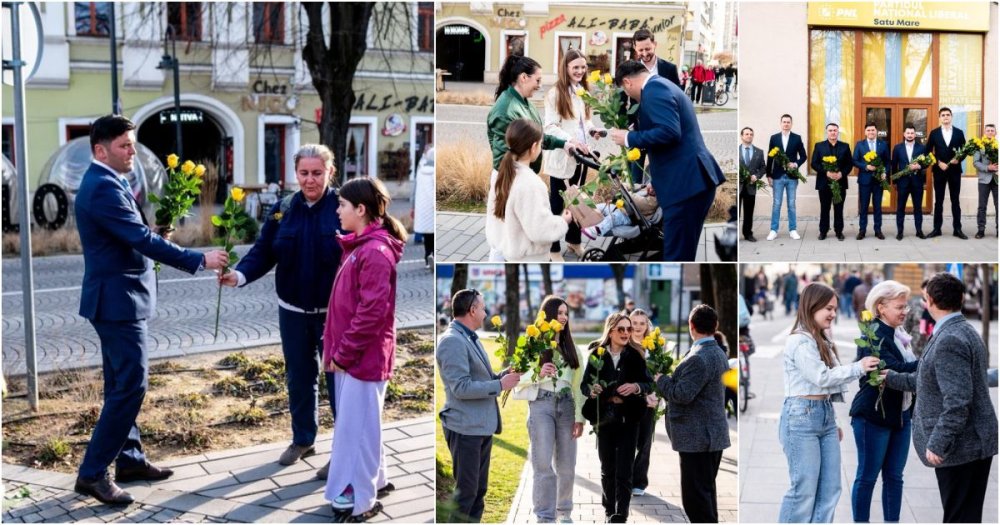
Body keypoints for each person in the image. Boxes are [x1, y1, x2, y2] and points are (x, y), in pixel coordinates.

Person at [73, 115, 229, 504]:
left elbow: (130, 235)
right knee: (131, 386)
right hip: (117, 302)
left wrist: (153, 234)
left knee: (120, 385)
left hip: (118, 299)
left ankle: (129, 460)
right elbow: (139, 239)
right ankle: (92, 474)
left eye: (132, 143)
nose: (132, 151)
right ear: (100, 150)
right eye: (124, 145)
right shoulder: (102, 186)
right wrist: (199, 259)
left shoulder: (108, 180)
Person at [219, 144, 342, 474]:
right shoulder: (283, 209)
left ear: (330, 172)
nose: (310, 180)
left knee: (339, 384)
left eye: (317, 173)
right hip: (292, 311)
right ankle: (303, 438)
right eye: (304, 173)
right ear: (295, 173)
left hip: (334, 316)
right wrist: (239, 275)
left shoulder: (344, 207)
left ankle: (343, 452)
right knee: (299, 378)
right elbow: (263, 251)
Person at [883, 272, 998, 523]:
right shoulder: (963, 330)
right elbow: (928, 380)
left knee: (958, 517)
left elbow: (957, 400)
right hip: (971, 443)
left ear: (931, 301)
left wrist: (938, 442)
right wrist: (890, 378)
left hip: (962, 446)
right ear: (960, 299)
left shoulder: (950, 339)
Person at [321, 177, 406, 520]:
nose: (337, 211)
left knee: (354, 430)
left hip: (361, 358)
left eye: (342, 205)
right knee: (364, 424)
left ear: (360, 209)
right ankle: (376, 480)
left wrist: (344, 353)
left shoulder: (373, 252)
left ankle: (358, 499)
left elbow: (371, 312)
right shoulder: (362, 246)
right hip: (357, 355)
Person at [778, 283, 880, 523]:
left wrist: (832, 420)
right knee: (803, 491)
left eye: (835, 308)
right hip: (801, 417)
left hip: (823, 415)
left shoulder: (820, 338)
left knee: (831, 489)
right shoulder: (800, 341)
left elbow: (824, 389)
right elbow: (821, 378)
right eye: (828, 308)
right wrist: (859, 367)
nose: (833, 313)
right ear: (811, 306)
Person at [609, 60, 724, 261]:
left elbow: (669, 132)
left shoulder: (654, 91)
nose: (628, 96)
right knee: (680, 252)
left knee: (676, 256)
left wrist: (629, 138)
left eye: (625, 91)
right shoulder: (663, 85)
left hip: (686, 187)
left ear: (627, 82)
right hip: (689, 182)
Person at [487, 55, 587, 256]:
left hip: (519, 175)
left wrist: (563, 144)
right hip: (511, 178)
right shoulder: (506, 110)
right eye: (538, 80)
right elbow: (503, 155)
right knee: (505, 240)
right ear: (524, 77)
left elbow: (537, 136)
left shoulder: (524, 103)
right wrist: (562, 221)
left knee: (508, 236)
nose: (540, 85)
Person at [437, 290, 522, 523]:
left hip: (480, 426)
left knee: (478, 491)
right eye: (483, 308)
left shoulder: (469, 337)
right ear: (472, 310)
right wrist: (500, 384)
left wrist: (504, 375)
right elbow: (461, 388)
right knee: (466, 494)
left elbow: (483, 378)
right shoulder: (452, 341)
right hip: (465, 428)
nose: (486, 313)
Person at [848, 281, 919, 523]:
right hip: (873, 415)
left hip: (901, 415)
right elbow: (893, 368)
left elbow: (901, 369)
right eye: (899, 307)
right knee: (867, 477)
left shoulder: (898, 334)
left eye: (905, 306)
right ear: (881, 307)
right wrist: (929, 362)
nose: (904, 311)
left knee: (894, 477)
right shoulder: (873, 335)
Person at [654, 305, 731, 523]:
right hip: (710, 437)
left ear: (691, 325)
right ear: (715, 326)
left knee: (695, 502)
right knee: (706, 497)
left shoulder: (699, 356)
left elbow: (681, 394)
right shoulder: (718, 351)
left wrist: (661, 379)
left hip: (698, 440)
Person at [512, 296, 586, 523]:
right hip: (541, 405)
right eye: (559, 313)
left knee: (567, 466)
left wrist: (580, 418)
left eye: (566, 313)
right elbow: (516, 378)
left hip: (567, 406)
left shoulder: (573, 349)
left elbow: (579, 387)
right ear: (548, 316)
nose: (563, 317)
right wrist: (538, 372)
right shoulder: (533, 344)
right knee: (542, 463)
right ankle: (545, 517)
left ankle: (564, 512)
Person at [581, 312, 653, 523]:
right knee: (607, 468)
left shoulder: (635, 354)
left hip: (629, 419)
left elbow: (648, 383)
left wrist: (636, 386)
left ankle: (621, 514)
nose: (626, 333)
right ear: (610, 331)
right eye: (621, 329)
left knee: (624, 469)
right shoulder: (597, 354)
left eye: (628, 329)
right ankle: (608, 510)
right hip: (604, 419)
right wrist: (591, 390)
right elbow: (584, 384)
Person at [486, 119, 573, 262]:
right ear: (534, 147)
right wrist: (563, 221)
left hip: (507, 252)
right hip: (529, 259)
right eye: (540, 144)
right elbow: (540, 231)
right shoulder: (531, 184)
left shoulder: (502, 174)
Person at [543, 49, 599, 261]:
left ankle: (574, 241)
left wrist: (592, 130)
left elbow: (585, 121)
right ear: (565, 68)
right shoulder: (555, 94)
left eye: (583, 67)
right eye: (575, 67)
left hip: (581, 157)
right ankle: (553, 248)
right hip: (562, 157)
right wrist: (571, 140)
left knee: (576, 201)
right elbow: (550, 126)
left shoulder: (583, 90)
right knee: (557, 206)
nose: (580, 71)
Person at [623, 28, 681, 185]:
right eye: (640, 50)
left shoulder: (669, 68)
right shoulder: (630, 69)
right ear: (635, 48)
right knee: (634, 176)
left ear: (655, 44)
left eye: (648, 49)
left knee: (661, 174)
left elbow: (678, 97)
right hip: (638, 130)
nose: (644, 53)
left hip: (661, 129)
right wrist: (627, 124)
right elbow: (622, 100)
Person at [628, 308, 658, 498]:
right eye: (634, 323)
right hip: (628, 402)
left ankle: (639, 482)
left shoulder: (653, 348)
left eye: (642, 323)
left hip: (649, 403)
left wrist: (656, 394)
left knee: (645, 442)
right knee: (626, 442)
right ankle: (624, 478)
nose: (638, 327)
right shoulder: (624, 345)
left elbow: (659, 375)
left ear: (647, 325)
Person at [926, 107, 968, 239]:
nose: (945, 117)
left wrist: (958, 159)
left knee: (955, 201)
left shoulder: (959, 133)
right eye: (943, 115)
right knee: (938, 201)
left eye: (948, 115)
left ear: (951, 117)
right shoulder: (934, 133)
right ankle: (936, 229)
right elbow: (927, 152)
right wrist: (938, 162)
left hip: (955, 171)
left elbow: (965, 151)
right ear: (939, 118)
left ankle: (957, 229)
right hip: (939, 171)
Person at [766, 114, 808, 241]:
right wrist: (769, 175)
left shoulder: (797, 138)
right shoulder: (774, 138)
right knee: (776, 204)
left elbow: (804, 156)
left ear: (791, 124)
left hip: (792, 176)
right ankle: (773, 230)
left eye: (788, 122)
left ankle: (793, 230)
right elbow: (770, 157)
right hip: (777, 176)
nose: (786, 124)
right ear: (780, 123)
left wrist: (795, 164)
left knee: (791, 204)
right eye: (784, 122)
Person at [810, 123, 852, 241]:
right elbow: (814, 163)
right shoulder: (819, 146)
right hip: (824, 183)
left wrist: (841, 174)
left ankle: (839, 231)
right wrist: (826, 172)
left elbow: (849, 164)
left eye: (835, 130)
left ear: (838, 132)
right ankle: (823, 231)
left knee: (839, 208)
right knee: (825, 208)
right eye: (830, 130)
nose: (833, 132)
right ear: (826, 132)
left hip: (840, 182)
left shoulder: (845, 146)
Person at [580, 183, 658, 241]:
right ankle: (584, 219)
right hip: (622, 209)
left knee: (613, 218)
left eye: (655, 191)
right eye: (652, 187)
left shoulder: (653, 202)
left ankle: (596, 231)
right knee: (599, 207)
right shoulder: (645, 188)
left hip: (630, 217)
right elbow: (633, 186)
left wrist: (626, 192)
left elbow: (636, 201)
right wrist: (625, 185)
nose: (651, 190)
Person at [852, 123, 890, 240]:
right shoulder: (860, 145)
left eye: (873, 130)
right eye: (868, 130)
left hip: (878, 181)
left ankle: (878, 230)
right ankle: (862, 230)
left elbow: (887, 162)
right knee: (863, 207)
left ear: (876, 131)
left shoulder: (883, 144)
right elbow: (854, 161)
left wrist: (885, 172)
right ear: (865, 132)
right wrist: (865, 166)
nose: (871, 132)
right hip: (865, 181)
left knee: (877, 206)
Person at [890, 124, 929, 240]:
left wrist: (919, 166)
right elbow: (894, 165)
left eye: (912, 133)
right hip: (903, 183)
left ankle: (919, 231)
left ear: (915, 134)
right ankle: (900, 232)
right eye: (908, 133)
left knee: (918, 208)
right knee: (900, 208)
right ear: (904, 134)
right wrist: (895, 182)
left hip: (917, 182)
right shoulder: (898, 148)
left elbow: (926, 163)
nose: (910, 135)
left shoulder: (921, 148)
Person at [739, 127, 766, 242]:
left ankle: (748, 234)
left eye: (751, 134)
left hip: (751, 186)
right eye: (746, 134)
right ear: (742, 136)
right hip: (738, 186)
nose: (749, 136)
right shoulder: (736, 150)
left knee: (749, 212)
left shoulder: (759, 152)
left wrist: (757, 176)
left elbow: (763, 167)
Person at [412, 144, 435, 267]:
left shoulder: (421, 170)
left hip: (423, 208)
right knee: (435, 235)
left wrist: (413, 206)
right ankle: (434, 256)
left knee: (427, 235)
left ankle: (427, 257)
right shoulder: (435, 172)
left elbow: (415, 188)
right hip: (433, 208)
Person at [973, 123, 998, 238]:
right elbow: (976, 162)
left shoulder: (998, 145)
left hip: (997, 180)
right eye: (988, 130)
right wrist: (988, 167)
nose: (990, 132)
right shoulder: (979, 146)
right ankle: (981, 230)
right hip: (984, 180)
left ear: (995, 133)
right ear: (984, 132)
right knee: (982, 206)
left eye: (992, 131)